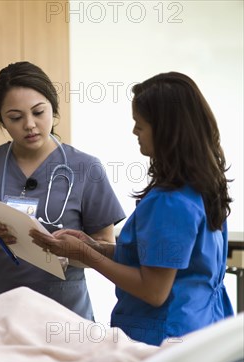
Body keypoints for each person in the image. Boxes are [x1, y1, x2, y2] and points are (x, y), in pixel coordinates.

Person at [29, 72, 234, 345]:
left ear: (166, 130)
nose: (134, 131)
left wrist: (86, 257)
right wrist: (95, 247)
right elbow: (164, 261)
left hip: (163, 338)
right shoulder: (202, 185)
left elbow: (153, 290)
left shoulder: (169, 202)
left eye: (140, 124)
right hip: (201, 326)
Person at [0, 61, 125, 319]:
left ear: (54, 110)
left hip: (61, 313)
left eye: (39, 112)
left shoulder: (86, 168)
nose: (29, 124)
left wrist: (69, 251)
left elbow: (106, 251)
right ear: (2, 122)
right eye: (15, 118)